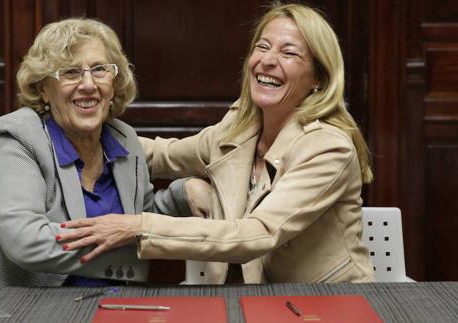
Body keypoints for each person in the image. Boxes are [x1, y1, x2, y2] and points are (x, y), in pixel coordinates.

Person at [57, 2, 376, 284]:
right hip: (249, 302)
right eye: (262, 47)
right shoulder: (238, 129)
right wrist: (79, 128)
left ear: (319, 78)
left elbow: (259, 233)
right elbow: (162, 155)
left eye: (289, 52)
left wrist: (138, 226)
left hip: (328, 304)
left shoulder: (328, 147)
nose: (267, 60)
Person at [0, 17, 190, 287]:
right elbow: (27, 241)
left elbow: (135, 217)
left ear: (114, 82)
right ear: (44, 90)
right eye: (70, 72)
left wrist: (182, 196)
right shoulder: (17, 138)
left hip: (92, 307)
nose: (88, 84)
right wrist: (135, 246)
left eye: (99, 70)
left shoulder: (124, 139)